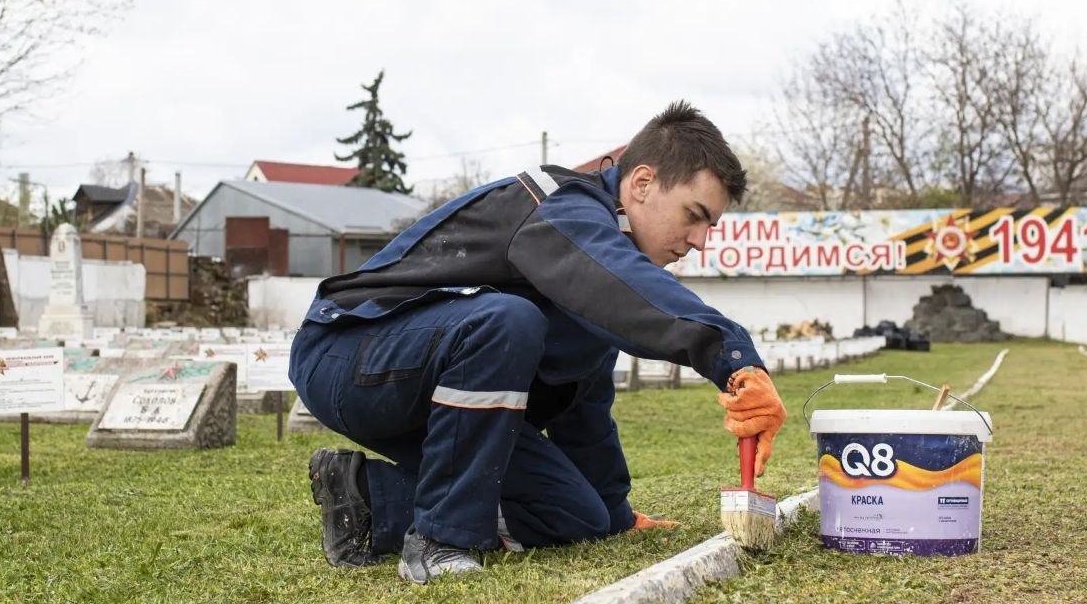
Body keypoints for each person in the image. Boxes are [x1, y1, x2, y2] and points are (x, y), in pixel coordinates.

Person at [289, 101, 787, 584]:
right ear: (642, 183)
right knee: (508, 319)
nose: (700, 240)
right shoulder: (559, 207)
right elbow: (619, 286)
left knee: (577, 518)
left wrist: (614, 513)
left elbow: (583, 401)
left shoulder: (599, 265)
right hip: (348, 352)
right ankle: (442, 541)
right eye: (694, 214)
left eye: (710, 225)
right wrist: (732, 357)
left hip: (436, 396)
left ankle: (367, 500)